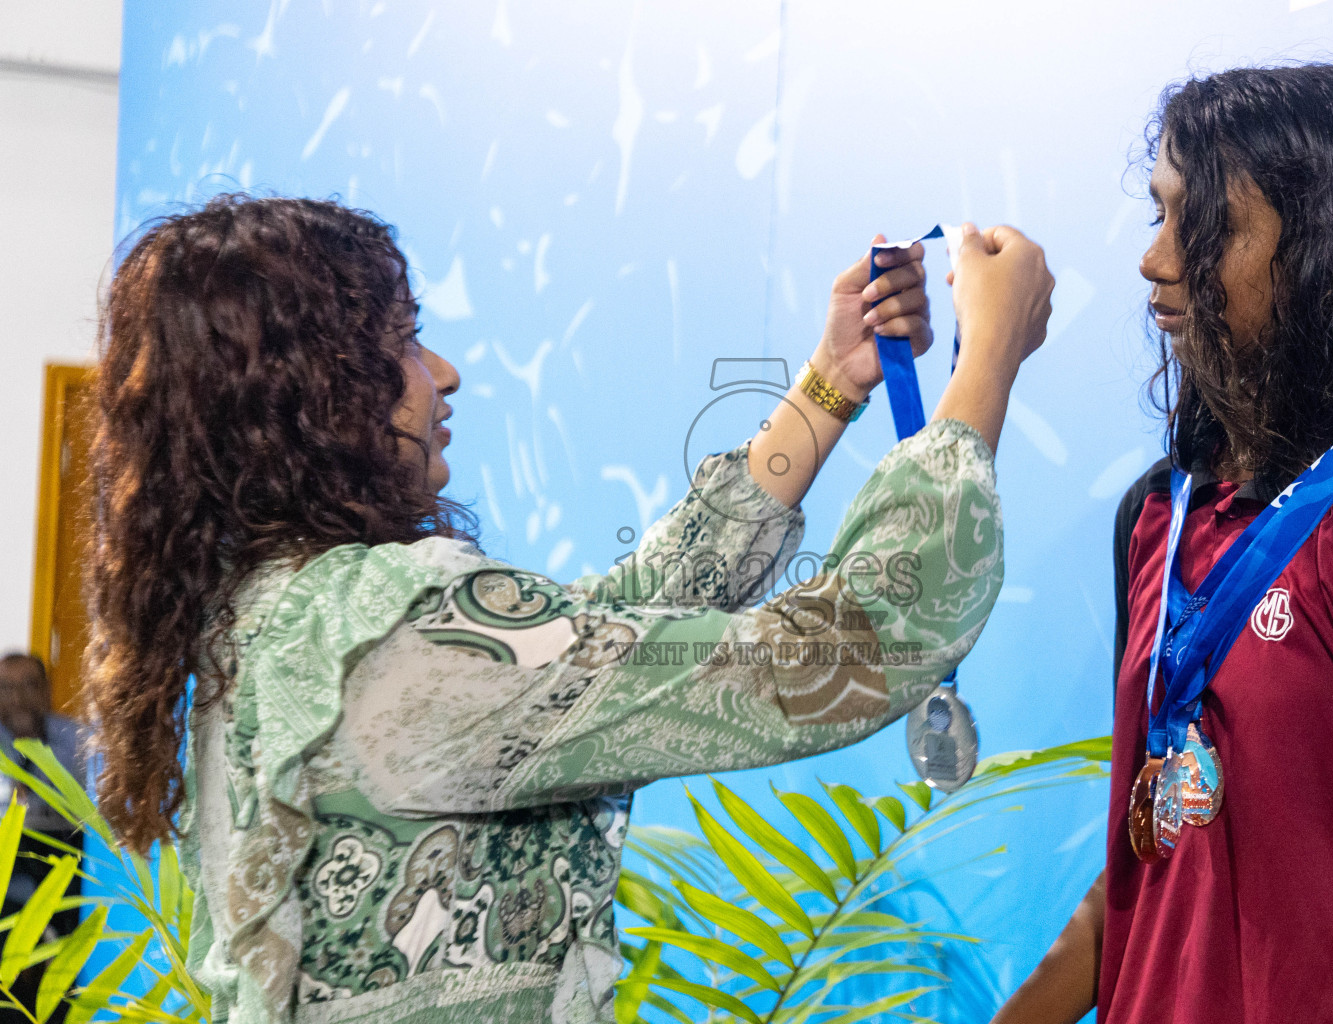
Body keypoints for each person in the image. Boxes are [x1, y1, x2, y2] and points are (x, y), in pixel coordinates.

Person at [85, 195, 1054, 1024]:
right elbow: (838, 650)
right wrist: (988, 364)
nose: (442, 372)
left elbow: (615, 625)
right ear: (313, 400)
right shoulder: (392, 643)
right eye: (401, 342)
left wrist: (833, 381)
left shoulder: (286, 615)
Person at [991, 65, 1333, 1024]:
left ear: (1328, 254)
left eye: (1206, 227)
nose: (1156, 260)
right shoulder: (1158, 514)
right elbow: (1144, 868)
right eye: (1159, 215)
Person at [0, 653, 90, 1024]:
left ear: (48, 690)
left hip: (67, 854)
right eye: (6, 688)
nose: (19, 698)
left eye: (30, 685)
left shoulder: (81, 741)